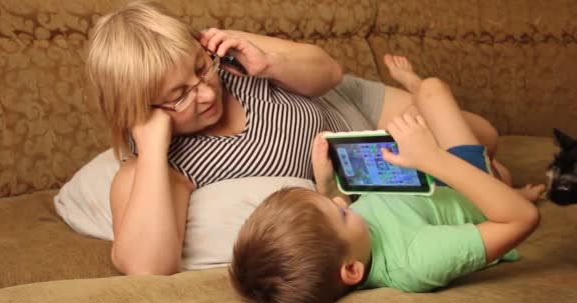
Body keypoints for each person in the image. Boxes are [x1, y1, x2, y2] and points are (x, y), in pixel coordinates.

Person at [85, 1, 501, 275]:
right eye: (178, 96)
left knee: (487, 134)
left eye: (201, 68)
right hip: (362, 153)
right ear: (138, 111)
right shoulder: (157, 166)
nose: (208, 93)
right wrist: (155, 146)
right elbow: (147, 267)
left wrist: (270, 61)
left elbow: (330, 72)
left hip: (347, 102)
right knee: (477, 161)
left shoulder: (226, 53)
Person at [228, 57, 546, 303]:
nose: (343, 203)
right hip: (472, 190)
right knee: (435, 94)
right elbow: (522, 220)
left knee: (430, 94)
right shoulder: (416, 260)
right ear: (351, 271)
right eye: (339, 213)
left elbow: (344, 222)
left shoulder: (352, 245)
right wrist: (431, 158)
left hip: (432, 185)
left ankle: (507, 183)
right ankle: (508, 187)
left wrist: (327, 187)